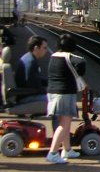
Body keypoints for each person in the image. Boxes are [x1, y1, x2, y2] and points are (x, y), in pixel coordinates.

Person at [45, 33, 86, 164]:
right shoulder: (71, 58)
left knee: (64, 123)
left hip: (52, 92)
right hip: (65, 93)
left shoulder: (53, 56)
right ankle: (53, 153)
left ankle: (67, 149)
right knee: (64, 124)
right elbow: (81, 64)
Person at [14, 35, 49, 106]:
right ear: (36, 48)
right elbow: (33, 86)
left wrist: (49, 82)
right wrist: (48, 91)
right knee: (56, 101)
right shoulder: (31, 62)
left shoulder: (28, 57)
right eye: (44, 48)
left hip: (24, 95)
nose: (46, 50)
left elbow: (35, 80)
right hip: (25, 97)